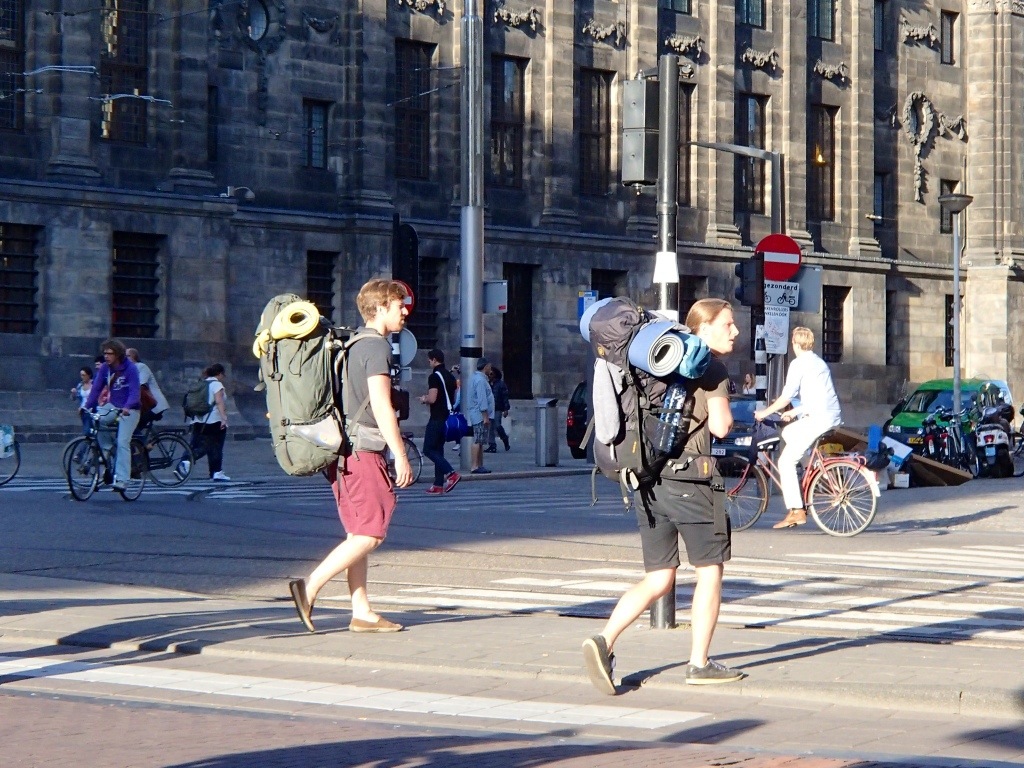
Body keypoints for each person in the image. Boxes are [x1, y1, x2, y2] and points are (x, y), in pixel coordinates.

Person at [581, 298, 745, 693]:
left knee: (658, 577)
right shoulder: (711, 366)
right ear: (702, 328)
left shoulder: (654, 361)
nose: (735, 331)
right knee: (709, 571)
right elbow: (721, 426)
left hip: (648, 476)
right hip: (694, 481)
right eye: (727, 324)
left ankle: (604, 640)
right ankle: (699, 663)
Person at [288, 278, 414, 635]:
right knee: (371, 534)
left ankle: (362, 612)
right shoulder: (376, 347)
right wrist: (400, 454)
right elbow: (381, 405)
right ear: (381, 308)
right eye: (399, 304)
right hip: (362, 452)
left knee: (358, 533)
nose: (405, 311)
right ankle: (309, 587)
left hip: (345, 452)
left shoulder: (353, 344)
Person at [754, 326, 842, 529]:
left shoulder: (798, 363)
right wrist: (794, 413)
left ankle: (796, 510)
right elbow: (818, 397)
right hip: (829, 415)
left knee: (785, 462)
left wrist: (764, 413)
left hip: (818, 418)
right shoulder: (818, 362)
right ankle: (810, 465)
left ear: (794, 343)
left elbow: (786, 396)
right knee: (789, 431)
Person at [83, 339, 141, 491]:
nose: (106, 356)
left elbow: (135, 392)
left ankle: (122, 479)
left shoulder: (130, 368)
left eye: (110, 353)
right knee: (98, 419)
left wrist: (127, 407)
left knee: (123, 442)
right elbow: (96, 389)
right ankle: (107, 449)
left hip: (130, 409)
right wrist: (86, 407)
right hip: (113, 405)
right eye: (105, 353)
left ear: (118, 354)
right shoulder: (105, 368)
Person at [418, 348, 461, 495]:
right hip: (448, 418)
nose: (429, 362)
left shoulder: (434, 377)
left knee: (428, 449)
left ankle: (451, 474)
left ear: (434, 360)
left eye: (430, 360)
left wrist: (424, 399)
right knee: (438, 450)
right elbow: (452, 398)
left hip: (437, 417)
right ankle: (438, 484)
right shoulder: (450, 376)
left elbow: (432, 398)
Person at [187, 363, 231, 481]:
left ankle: (185, 464)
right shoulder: (217, 384)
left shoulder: (202, 383)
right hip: (214, 421)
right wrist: (224, 418)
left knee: (195, 444)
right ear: (220, 374)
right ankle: (216, 471)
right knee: (214, 447)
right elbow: (219, 402)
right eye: (223, 375)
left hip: (197, 420)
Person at [126, 348, 170, 430]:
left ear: (134, 356)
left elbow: (140, 384)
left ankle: (143, 439)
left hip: (154, 404)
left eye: (127, 356)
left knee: (134, 427)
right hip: (145, 405)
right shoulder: (128, 370)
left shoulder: (141, 366)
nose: (125, 358)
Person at [467, 357, 495, 474]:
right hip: (479, 415)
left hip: (478, 414)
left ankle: (479, 465)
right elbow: (482, 399)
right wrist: (485, 416)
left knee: (480, 440)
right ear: (486, 366)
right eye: (489, 367)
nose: (490, 369)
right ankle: (475, 466)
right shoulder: (480, 381)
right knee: (478, 440)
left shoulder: (476, 378)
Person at [486, 366, 511, 453]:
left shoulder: (501, 384)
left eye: (491, 374)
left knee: (497, 425)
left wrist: (506, 409)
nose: (489, 375)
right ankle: (492, 445)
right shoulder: (488, 384)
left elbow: (505, 397)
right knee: (490, 427)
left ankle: (504, 438)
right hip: (490, 408)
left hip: (498, 408)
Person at [71, 366, 94, 435]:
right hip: (83, 410)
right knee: (87, 426)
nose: (82, 377)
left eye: (84, 375)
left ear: (89, 375)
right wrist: (73, 393)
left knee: (88, 429)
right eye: (81, 375)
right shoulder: (80, 385)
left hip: (92, 409)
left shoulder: (94, 384)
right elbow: (73, 398)